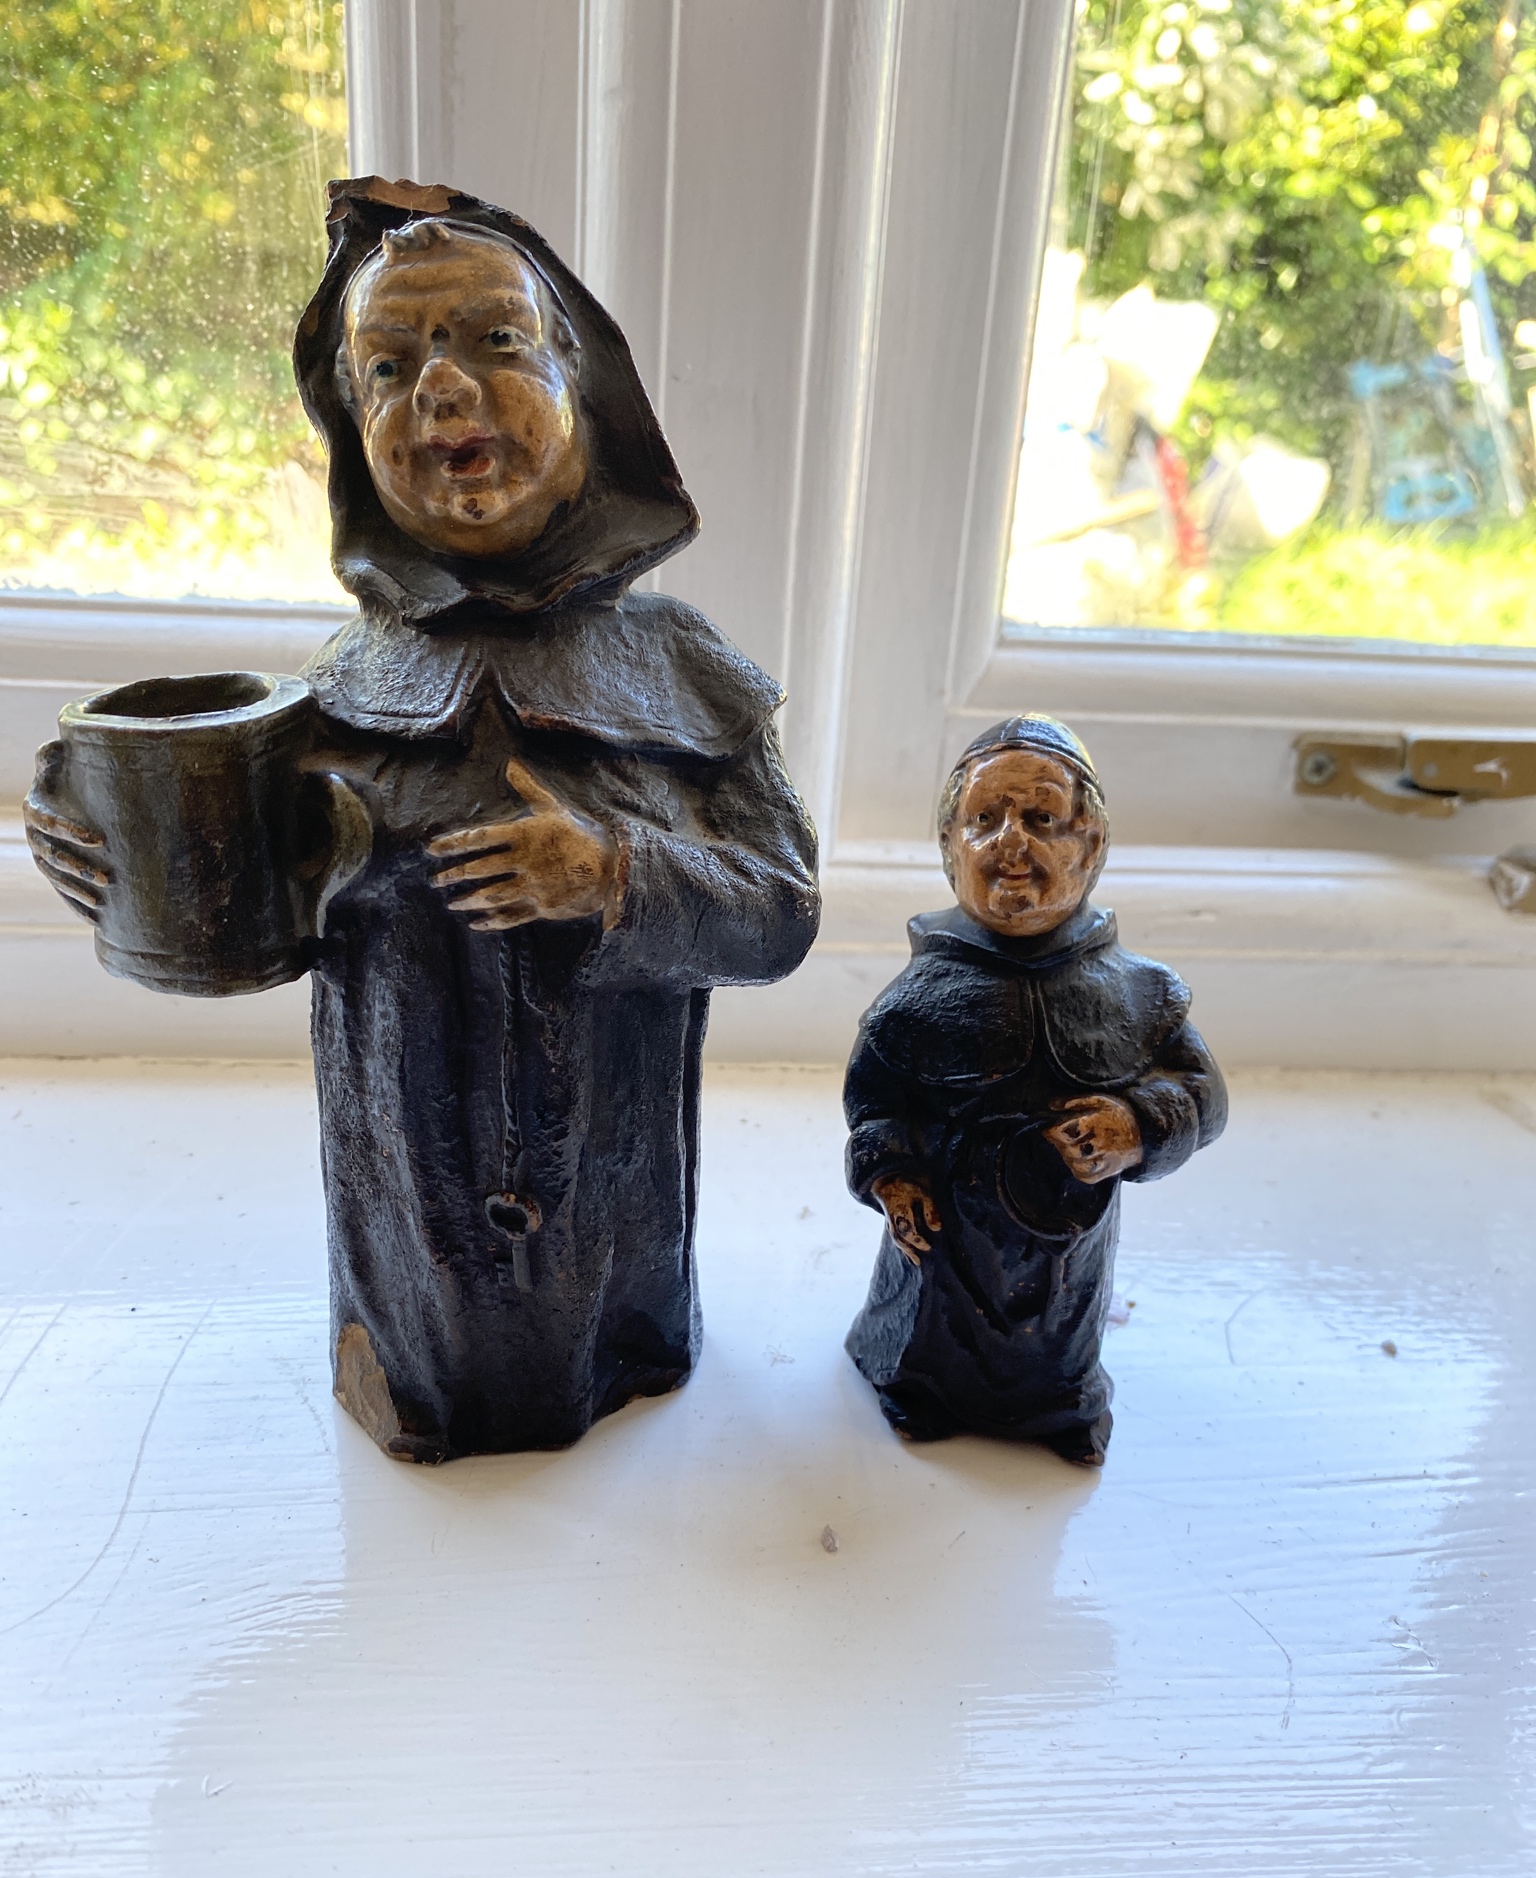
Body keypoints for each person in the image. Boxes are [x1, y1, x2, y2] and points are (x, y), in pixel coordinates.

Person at [25, 177, 820, 1461]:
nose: (441, 392)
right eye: (389, 368)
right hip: (408, 1221)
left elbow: (782, 909)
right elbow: (239, 922)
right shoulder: (339, 686)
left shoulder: (683, 666)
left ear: (582, 386)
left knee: (605, 1324)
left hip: (615, 1228)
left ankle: (609, 1365)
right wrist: (112, 850)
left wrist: (615, 875)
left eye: (494, 342)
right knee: (425, 1353)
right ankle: (417, 1385)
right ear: (354, 425)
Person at [842, 716, 1223, 1466]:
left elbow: (1200, 1092)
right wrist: (893, 1179)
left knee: (1059, 1337)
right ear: (950, 846)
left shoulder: (1137, 990)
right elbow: (875, 1106)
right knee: (929, 1341)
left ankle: (1062, 1405)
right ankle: (921, 1391)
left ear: (1091, 844)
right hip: (948, 1249)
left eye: (1042, 820)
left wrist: (1136, 1125)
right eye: (984, 821)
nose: (1010, 844)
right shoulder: (916, 998)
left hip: (1068, 1248)